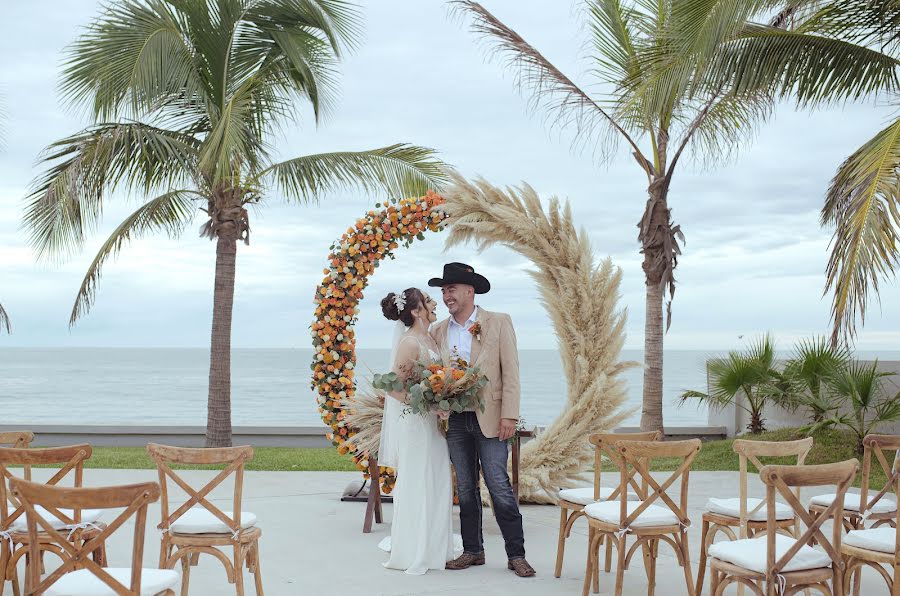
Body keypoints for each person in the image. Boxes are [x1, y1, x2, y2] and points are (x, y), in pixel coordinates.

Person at [428, 262, 536, 578]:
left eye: (451, 288)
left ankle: (517, 555)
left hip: (490, 419)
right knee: (465, 487)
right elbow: (434, 376)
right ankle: (472, 551)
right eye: (444, 290)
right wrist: (437, 404)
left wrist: (510, 415)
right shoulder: (438, 332)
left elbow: (511, 373)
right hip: (456, 422)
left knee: (498, 485)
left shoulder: (499, 323)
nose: (447, 295)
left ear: (469, 290)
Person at [377, 288, 457, 575]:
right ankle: (415, 549)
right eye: (427, 301)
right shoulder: (409, 343)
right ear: (415, 311)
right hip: (416, 424)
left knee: (436, 480)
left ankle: (436, 547)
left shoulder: (431, 337)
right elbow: (391, 386)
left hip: (434, 426)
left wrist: (445, 401)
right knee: (418, 481)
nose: (433, 303)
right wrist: (427, 405)